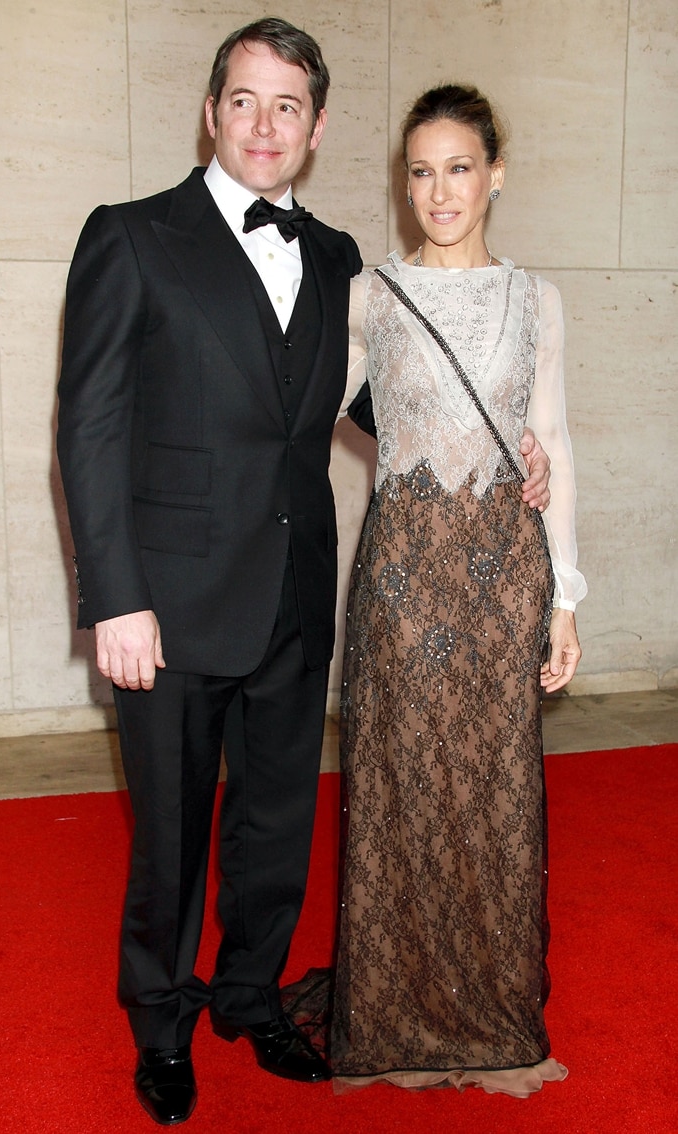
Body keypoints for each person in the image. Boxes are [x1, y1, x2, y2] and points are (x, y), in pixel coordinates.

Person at [57, 17, 551, 1122]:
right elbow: (87, 429)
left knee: (277, 822)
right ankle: (163, 1023)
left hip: (298, 590)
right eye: (244, 99)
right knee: (173, 837)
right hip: (169, 606)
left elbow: (364, 396)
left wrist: (501, 434)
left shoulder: (333, 257)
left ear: (318, 127)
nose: (265, 123)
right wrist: (114, 598)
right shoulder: (132, 236)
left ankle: (250, 998)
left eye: (288, 105)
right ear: (211, 110)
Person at [330, 84, 586, 1097]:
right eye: (421, 170)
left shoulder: (536, 298)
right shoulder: (368, 293)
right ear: (406, 182)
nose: (439, 190)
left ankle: (482, 1006)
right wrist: (406, 437)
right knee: (399, 788)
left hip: (502, 575)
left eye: (459, 167)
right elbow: (315, 402)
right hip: (403, 574)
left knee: (490, 793)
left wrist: (564, 598)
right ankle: (395, 1009)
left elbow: (556, 441)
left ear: (495, 173)